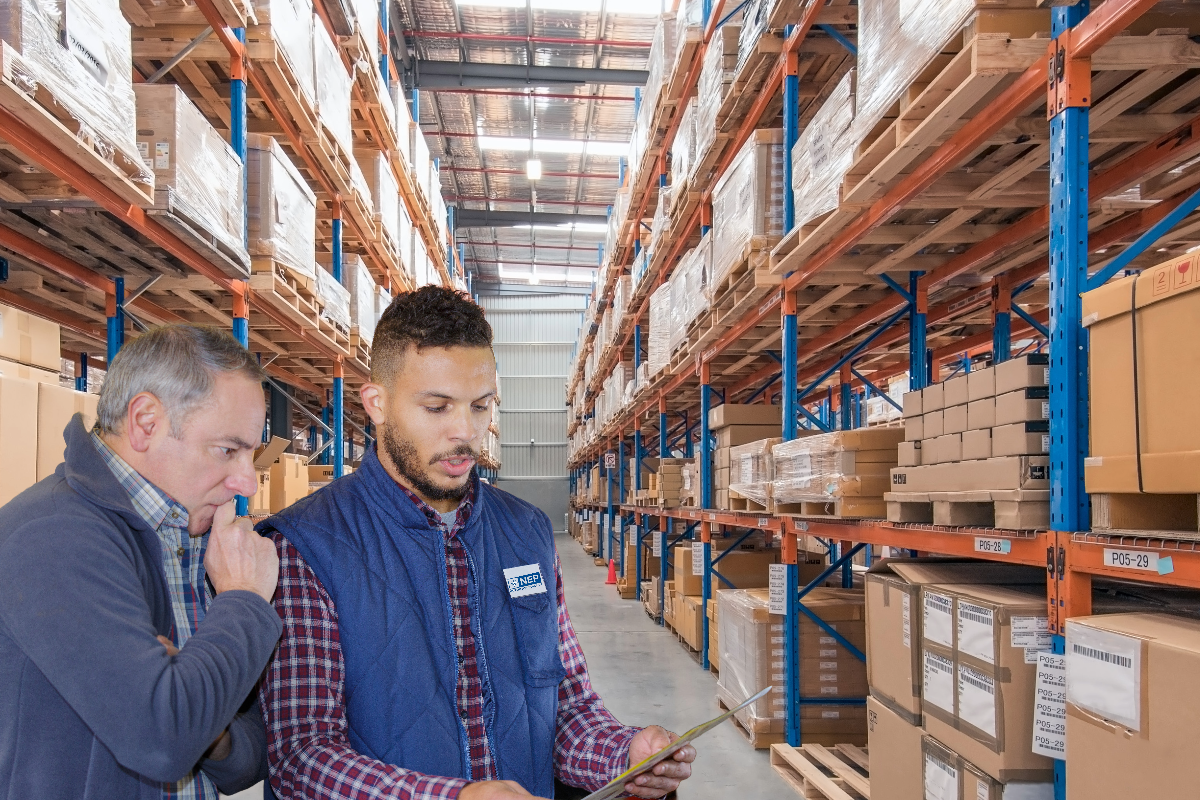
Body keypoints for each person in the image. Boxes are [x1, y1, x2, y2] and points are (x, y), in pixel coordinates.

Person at [259, 286, 696, 799]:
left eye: (481, 406)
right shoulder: (308, 546)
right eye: (438, 408)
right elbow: (301, 758)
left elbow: (566, 706)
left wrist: (623, 756)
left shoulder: (526, 533)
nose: (465, 432)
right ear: (377, 404)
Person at [0, 324, 283, 799]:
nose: (247, 482)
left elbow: (250, 755)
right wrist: (244, 601)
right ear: (146, 422)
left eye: (250, 454)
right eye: (228, 450)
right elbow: (163, 739)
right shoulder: (53, 537)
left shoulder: (193, 540)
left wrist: (206, 723)